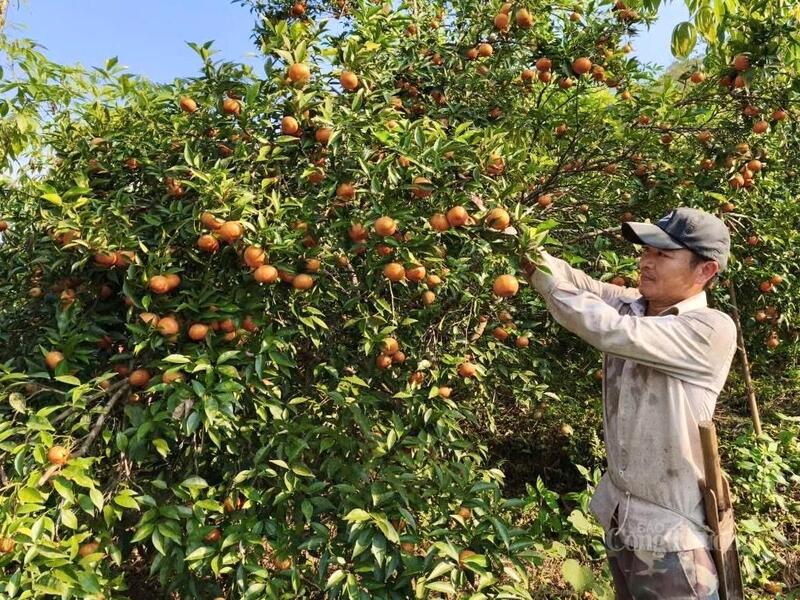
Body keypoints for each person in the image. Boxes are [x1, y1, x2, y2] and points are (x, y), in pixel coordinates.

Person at [521, 207, 737, 599]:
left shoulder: (710, 328)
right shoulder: (635, 305)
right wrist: (521, 240)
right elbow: (578, 283)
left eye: (662, 255)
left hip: (671, 538)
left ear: (705, 271)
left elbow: (611, 330)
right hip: (622, 518)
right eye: (646, 251)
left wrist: (545, 280)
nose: (646, 262)